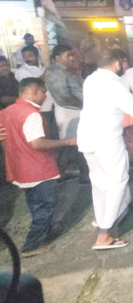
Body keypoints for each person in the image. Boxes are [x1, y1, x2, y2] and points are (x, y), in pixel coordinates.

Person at [77, 49, 133, 250]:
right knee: (118, 182)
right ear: (118, 63)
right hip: (106, 140)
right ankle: (104, 236)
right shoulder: (113, 85)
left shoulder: (91, 79)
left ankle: (102, 220)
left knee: (99, 183)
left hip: (88, 138)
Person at [0, 78, 77, 257]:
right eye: (43, 92)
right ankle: (31, 245)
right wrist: (66, 141)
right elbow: (37, 143)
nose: (45, 96)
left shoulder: (7, 111)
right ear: (34, 91)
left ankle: (47, 231)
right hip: (37, 168)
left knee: (35, 204)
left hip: (19, 168)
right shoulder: (31, 114)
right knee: (46, 206)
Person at [43, 44, 89, 183]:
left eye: (72, 54)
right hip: (70, 110)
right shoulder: (56, 72)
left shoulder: (65, 70)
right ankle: (58, 174)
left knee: (76, 144)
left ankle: (78, 175)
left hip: (74, 110)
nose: (72, 58)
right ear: (57, 57)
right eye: (68, 55)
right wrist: (84, 106)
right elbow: (65, 95)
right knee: (72, 145)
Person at [0, 57, 19, 230]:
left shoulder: (12, 78)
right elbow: (4, 99)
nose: (5, 68)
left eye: (6, 64)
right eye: (1, 66)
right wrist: (20, 99)